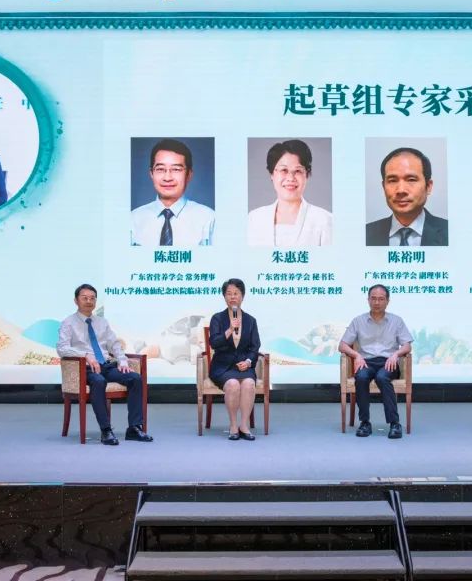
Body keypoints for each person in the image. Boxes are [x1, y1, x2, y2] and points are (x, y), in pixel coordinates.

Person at [56, 283, 152, 446]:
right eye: (84, 298)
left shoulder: (102, 322)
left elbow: (114, 344)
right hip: (85, 368)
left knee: (135, 378)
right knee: (99, 381)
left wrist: (122, 360)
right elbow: (62, 348)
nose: (89, 301)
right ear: (76, 301)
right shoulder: (68, 323)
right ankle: (106, 430)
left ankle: (134, 428)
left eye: (92, 298)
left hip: (106, 365)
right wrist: (85, 356)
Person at [338, 284, 413, 439]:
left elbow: (407, 345)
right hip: (366, 361)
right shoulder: (358, 321)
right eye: (373, 298)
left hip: (388, 362)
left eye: (381, 299)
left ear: (387, 301)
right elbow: (342, 345)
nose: (377, 302)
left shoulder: (396, 321)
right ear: (368, 300)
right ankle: (365, 422)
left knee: (382, 377)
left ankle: (394, 423)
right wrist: (356, 355)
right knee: (361, 377)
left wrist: (396, 354)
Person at [247, 140, 333, 246]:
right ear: (272, 174)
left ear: (307, 175)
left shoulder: (325, 220)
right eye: (284, 170)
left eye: (298, 171)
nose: (290, 178)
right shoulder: (254, 219)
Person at [130, 139, 215, 246]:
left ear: (189, 175)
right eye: (160, 169)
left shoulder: (208, 219)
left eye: (176, 169)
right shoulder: (133, 219)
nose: (167, 178)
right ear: (151, 173)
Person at [208, 278, 261, 440]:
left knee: (249, 384)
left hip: (244, 366)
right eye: (229, 293)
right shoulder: (217, 318)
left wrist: (249, 362)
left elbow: (255, 347)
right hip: (222, 366)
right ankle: (233, 425)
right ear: (224, 296)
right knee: (232, 384)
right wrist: (230, 330)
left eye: (236, 293)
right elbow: (214, 343)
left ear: (242, 296)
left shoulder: (251, 321)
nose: (232, 297)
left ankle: (244, 426)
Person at [365, 147, 448, 246]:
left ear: (428, 186)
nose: (401, 190)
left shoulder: (450, 233)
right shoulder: (365, 234)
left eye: (411, 180)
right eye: (392, 180)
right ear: (383, 187)